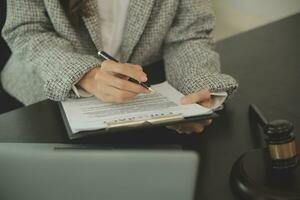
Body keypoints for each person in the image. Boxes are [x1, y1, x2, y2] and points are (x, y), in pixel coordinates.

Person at [1, 0, 238, 134]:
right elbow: (27, 29)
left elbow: (188, 35)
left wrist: (198, 93)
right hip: (40, 98)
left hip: (138, 101)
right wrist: (85, 74)